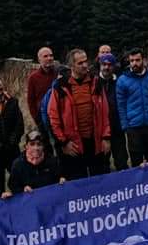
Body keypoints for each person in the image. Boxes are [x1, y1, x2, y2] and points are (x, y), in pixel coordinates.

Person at [47, 49, 111, 180]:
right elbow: (53, 117)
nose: (85, 65)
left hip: (95, 141)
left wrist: (106, 137)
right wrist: (63, 142)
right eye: (80, 63)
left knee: (100, 180)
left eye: (85, 61)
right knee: (77, 182)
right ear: (71, 66)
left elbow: (105, 112)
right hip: (73, 144)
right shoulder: (60, 86)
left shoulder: (96, 82)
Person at [117, 49, 148, 167]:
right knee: (136, 161)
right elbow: (121, 105)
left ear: (144, 60)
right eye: (131, 60)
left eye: (137, 60)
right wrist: (125, 125)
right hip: (133, 126)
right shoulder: (122, 80)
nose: (134, 63)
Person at [97, 53, 128, 171]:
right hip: (101, 130)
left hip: (117, 128)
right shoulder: (94, 82)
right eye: (104, 64)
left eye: (109, 65)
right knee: (103, 165)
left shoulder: (119, 82)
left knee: (121, 162)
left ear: (114, 66)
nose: (106, 67)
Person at [25, 46, 57, 126]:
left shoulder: (58, 74)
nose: (49, 58)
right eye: (45, 56)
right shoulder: (33, 77)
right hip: (43, 119)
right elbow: (31, 101)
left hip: (58, 116)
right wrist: (37, 119)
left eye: (51, 55)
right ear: (39, 60)